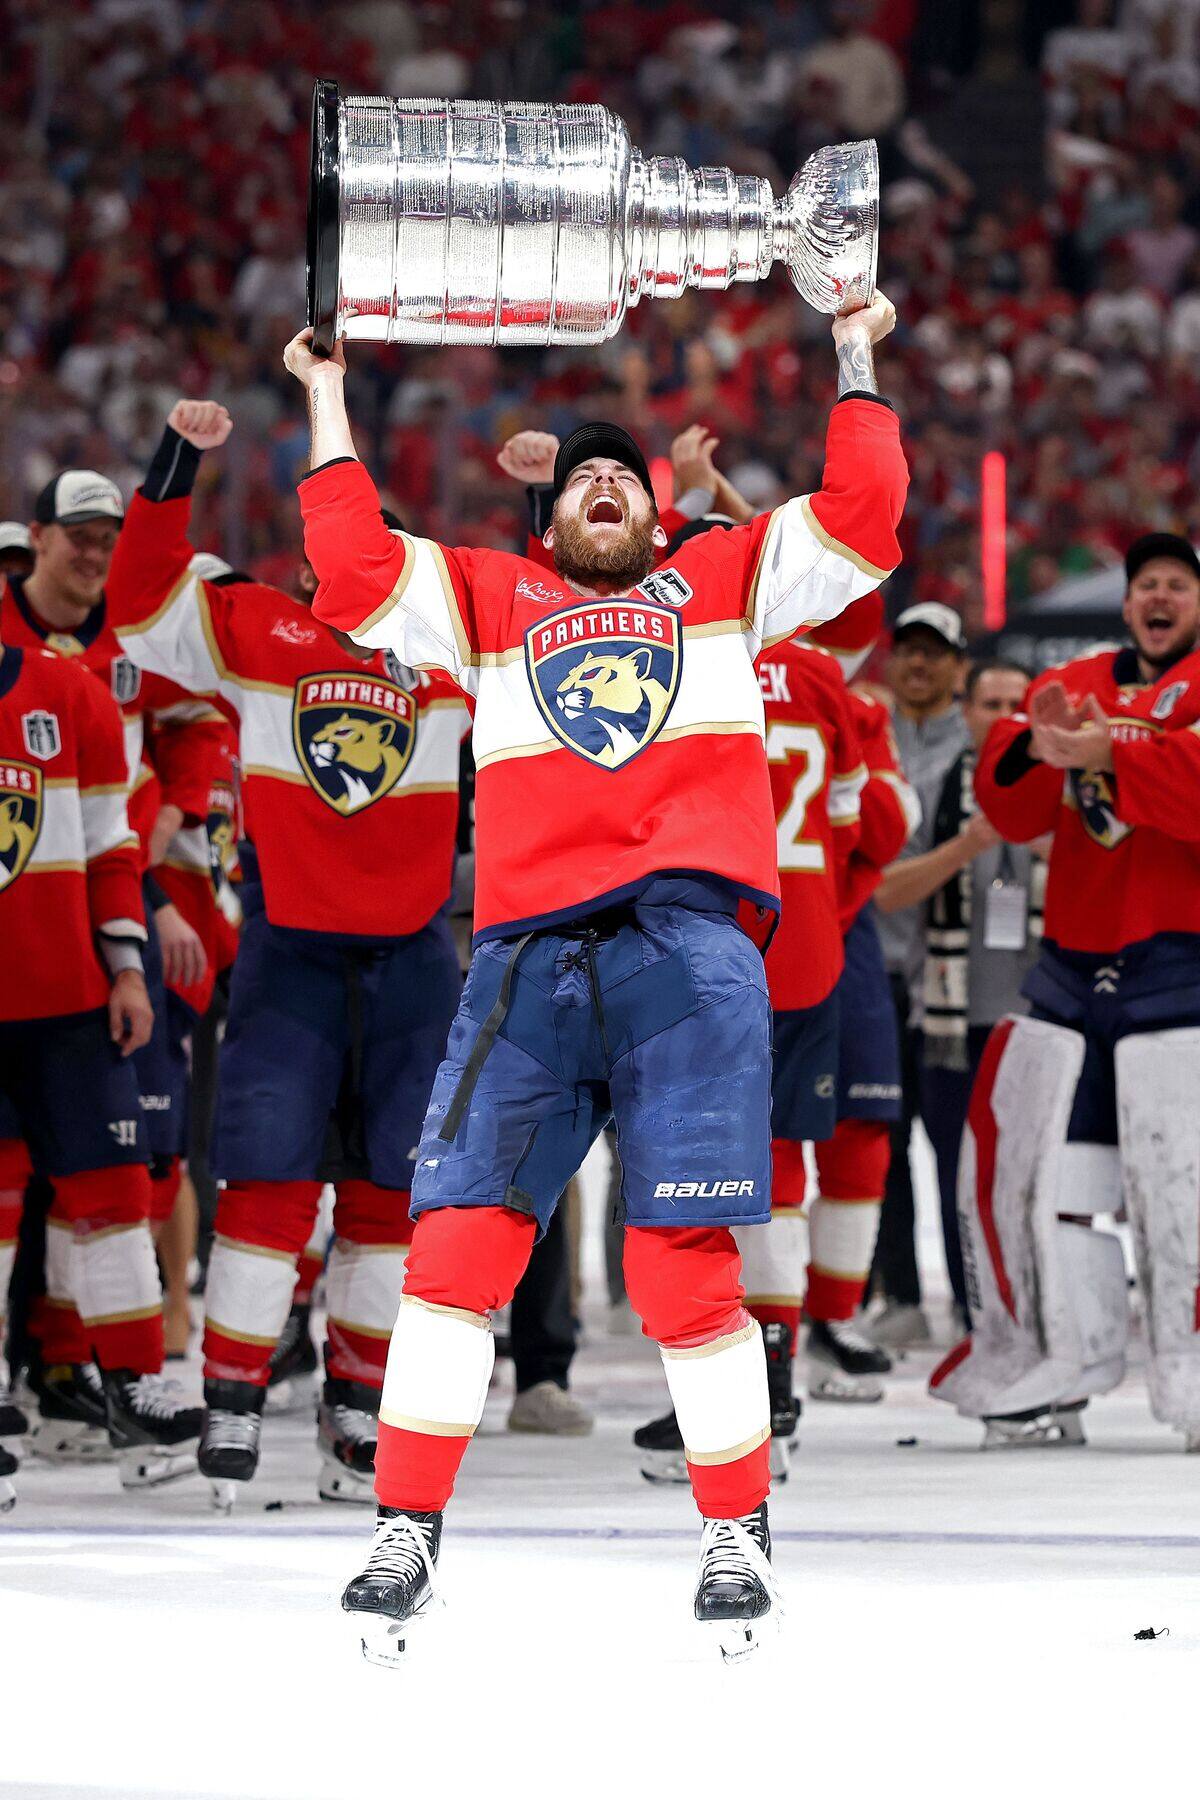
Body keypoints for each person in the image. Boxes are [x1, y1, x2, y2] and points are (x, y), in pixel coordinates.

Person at [287, 285, 906, 1664]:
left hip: (690, 952)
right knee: (454, 1250)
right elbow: (346, 572)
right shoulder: (487, 598)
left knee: (682, 1259)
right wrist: (327, 396)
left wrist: (857, 350)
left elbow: (865, 513)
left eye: (627, 478)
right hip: (521, 962)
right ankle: (405, 1529)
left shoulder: (727, 584)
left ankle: (737, 1532)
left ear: (658, 516)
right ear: (550, 520)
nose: (608, 490)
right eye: (585, 484)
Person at [106, 400, 469, 1508]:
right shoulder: (259, 629)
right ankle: (233, 1400)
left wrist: (550, 505)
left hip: (413, 960)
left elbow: (568, 627)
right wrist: (178, 462)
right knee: (264, 1182)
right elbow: (134, 604)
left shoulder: (455, 662)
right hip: (293, 953)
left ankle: (358, 1406)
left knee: (391, 1191)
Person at [933, 533, 1200, 1448]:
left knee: (1184, 1187)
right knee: (1056, 1188)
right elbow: (1009, 801)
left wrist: (1115, 753)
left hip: (1183, 969)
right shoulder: (1081, 678)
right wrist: (1042, 749)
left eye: (1177, 585)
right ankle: (1067, 1361)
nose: (1160, 598)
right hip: (1078, 971)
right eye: (1147, 586)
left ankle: (1192, 1369)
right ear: (1127, 605)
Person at [1, 468, 220, 1458]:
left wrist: (127, 969)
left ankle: (133, 1383)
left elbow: (109, 852)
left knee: (113, 1189)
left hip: (71, 995)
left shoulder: (76, 698)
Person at [634, 627, 867, 1478]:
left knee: (693, 1161)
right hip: (802, 942)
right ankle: (774, 1380)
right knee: (782, 1167)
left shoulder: (664, 655)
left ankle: (721, 1388)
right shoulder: (818, 674)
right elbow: (864, 824)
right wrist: (826, 918)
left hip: (702, 944)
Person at [875, 658, 1042, 1327]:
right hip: (946, 1016)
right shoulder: (935, 790)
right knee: (955, 1171)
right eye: (990, 704)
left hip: (1040, 1018)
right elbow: (885, 888)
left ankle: (1032, 1306)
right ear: (964, 712)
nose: (1004, 718)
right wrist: (967, 845)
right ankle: (976, 1312)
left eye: (1016, 704)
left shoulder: (1065, 788)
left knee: (1033, 1176)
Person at [870, 601, 970, 1346]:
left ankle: (969, 1295)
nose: (920, 663)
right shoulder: (869, 735)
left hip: (948, 976)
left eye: (935, 652)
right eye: (908, 649)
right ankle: (899, 1291)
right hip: (876, 963)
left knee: (953, 1144)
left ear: (958, 666)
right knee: (881, 1142)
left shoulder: (975, 746)